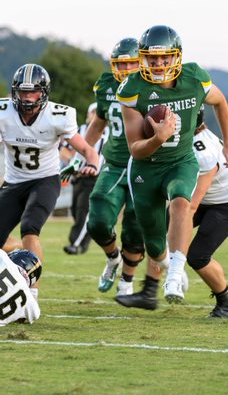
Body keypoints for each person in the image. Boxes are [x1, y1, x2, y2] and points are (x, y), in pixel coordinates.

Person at [114, 25, 228, 310]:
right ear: (143, 58)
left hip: (181, 162)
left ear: (177, 57)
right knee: (155, 246)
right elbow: (135, 148)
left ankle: (173, 275)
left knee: (181, 204)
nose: (159, 64)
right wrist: (157, 138)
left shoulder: (194, 77)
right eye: (152, 58)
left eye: (165, 58)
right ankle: (168, 264)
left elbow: (220, 101)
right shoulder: (132, 89)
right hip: (146, 169)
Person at [0, 63, 99, 297]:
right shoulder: (1, 113)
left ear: (44, 93)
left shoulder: (58, 116)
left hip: (45, 180)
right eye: (23, 92)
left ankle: (32, 293)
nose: (28, 97)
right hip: (14, 182)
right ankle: (20, 248)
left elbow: (87, 149)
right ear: (15, 92)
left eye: (33, 92)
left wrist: (92, 164)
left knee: (30, 227)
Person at [79, 37, 146, 296]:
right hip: (116, 163)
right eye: (120, 65)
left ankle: (127, 281)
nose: (126, 70)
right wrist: (82, 155)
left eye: (131, 64)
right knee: (96, 220)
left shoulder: (154, 86)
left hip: (146, 166)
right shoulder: (107, 85)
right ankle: (112, 259)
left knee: (136, 227)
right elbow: (98, 123)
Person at [187, 108, 228, 318]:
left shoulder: (202, 151)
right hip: (207, 197)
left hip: (227, 201)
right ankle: (149, 286)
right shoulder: (192, 136)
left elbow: (191, 205)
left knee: (197, 256)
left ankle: (227, 299)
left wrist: (171, 256)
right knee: (162, 225)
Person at [62, 102, 108, 255]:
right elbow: (64, 149)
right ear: (88, 115)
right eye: (92, 113)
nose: (95, 116)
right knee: (75, 210)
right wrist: (72, 163)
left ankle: (75, 243)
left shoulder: (109, 133)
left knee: (84, 211)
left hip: (95, 177)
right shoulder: (79, 131)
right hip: (78, 176)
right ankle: (85, 240)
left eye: (98, 113)